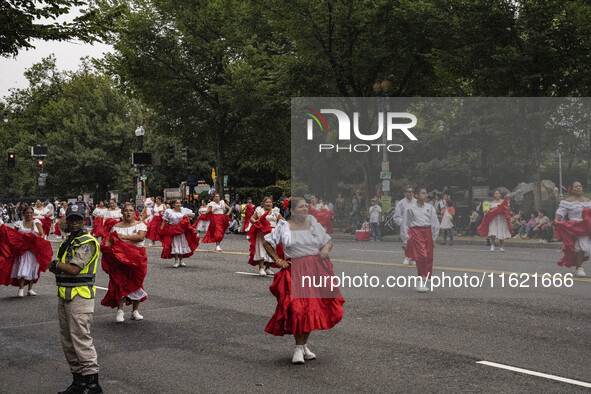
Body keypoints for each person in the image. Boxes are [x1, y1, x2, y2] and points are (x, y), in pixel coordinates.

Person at [262, 197, 344, 364]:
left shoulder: (313, 222)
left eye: (306, 207)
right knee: (298, 309)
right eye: (301, 207)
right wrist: (278, 260)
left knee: (311, 307)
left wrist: (326, 249)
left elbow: (327, 240)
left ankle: (302, 346)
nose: (306, 210)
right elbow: (267, 242)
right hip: (296, 270)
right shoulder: (284, 227)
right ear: (292, 211)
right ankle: (300, 347)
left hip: (314, 269)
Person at [47, 204, 102, 394]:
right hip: (64, 295)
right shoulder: (67, 242)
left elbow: (73, 269)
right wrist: (58, 265)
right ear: (66, 221)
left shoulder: (87, 242)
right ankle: (78, 382)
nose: (75, 222)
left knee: (81, 340)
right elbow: (57, 268)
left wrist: (57, 264)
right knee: (68, 342)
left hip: (80, 296)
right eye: (71, 219)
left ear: (84, 220)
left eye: (78, 219)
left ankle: (93, 385)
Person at [101, 203, 148, 323]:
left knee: (136, 283)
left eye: (131, 210)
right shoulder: (116, 227)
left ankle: (135, 311)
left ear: (134, 212)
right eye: (126, 211)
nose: (128, 213)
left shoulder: (140, 225)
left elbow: (140, 237)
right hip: (121, 259)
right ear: (122, 213)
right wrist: (107, 245)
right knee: (120, 282)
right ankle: (120, 310)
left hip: (137, 258)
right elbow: (109, 242)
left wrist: (122, 236)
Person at [400, 186, 440, 292]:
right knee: (422, 256)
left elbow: (435, 222)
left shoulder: (430, 207)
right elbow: (405, 224)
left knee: (429, 257)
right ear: (416, 195)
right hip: (416, 232)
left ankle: (425, 278)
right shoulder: (410, 208)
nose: (425, 195)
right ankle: (420, 280)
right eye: (423, 193)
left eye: (426, 193)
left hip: (427, 232)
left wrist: (434, 237)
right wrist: (405, 240)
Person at [6, 206, 49, 297]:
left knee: (33, 267)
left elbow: (41, 234)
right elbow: (14, 236)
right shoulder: (19, 223)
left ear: (33, 214)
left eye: (31, 213)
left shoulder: (37, 222)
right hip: (23, 250)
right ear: (23, 214)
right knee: (23, 267)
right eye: (27, 213)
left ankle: (30, 289)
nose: (29, 214)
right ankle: (21, 289)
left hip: (34, 250)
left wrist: (36, 242)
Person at [553, 181, 591, 277]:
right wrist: (556, 220)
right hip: (572, 227)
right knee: (575, 247)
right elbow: (561, 212)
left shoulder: (587, 201)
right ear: (572, 189)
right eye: (576, 186)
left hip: (584, 227)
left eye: (580, 186)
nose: (579, 187)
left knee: (584, 246)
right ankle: (578, 267)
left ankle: (579, 267)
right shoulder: (567, 201)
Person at [248, 196, 285, 276]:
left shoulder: (275, 211)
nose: (269, 204)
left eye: (270, 202)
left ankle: (267, 268)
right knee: (262, 249)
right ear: (263, 204)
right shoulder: (259, 211)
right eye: (267, 202)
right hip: (262, 233)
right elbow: (252, 219)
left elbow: (283, 220)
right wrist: (256, 221)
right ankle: (261, 268)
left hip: (273, 234)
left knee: (271, 250)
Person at [161, 199, 199, 267]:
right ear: (173, 205)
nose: (178, 204)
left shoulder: (183, 210)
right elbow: (164, 220)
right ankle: (176, 261)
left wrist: (187, 215)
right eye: (177, 203)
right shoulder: (168, 211)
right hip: (173, 231)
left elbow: (193, 215)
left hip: (182, 231)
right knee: (175, 245)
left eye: (179, 203)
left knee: (182, 245)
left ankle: (181, 261)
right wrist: (161, 229)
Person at [393, 185, 416, 265]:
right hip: (405, 226)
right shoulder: (401, 203)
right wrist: (403, 223)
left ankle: (413, 257)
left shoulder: (416, 202)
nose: (411, 193)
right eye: (409, 192)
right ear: (405, 193)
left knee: (414, 242)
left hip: (415, 225)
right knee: (407, 241)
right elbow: (396, 216)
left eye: (412, 192)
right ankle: (407, 256)